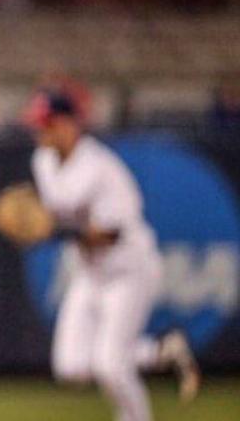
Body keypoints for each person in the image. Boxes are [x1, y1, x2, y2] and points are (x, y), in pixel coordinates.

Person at [23, 86, 200, 421]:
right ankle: (159, 351)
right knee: (70, 366)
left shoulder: (100, 167)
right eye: (38, 123)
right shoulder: (43, 162)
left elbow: (110, 233)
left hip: (129, 271)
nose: (40, 130)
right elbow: (56, 216)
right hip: (91, 274)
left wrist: (53, 231)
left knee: (110, 366)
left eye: (47, 122)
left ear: (68, 123)